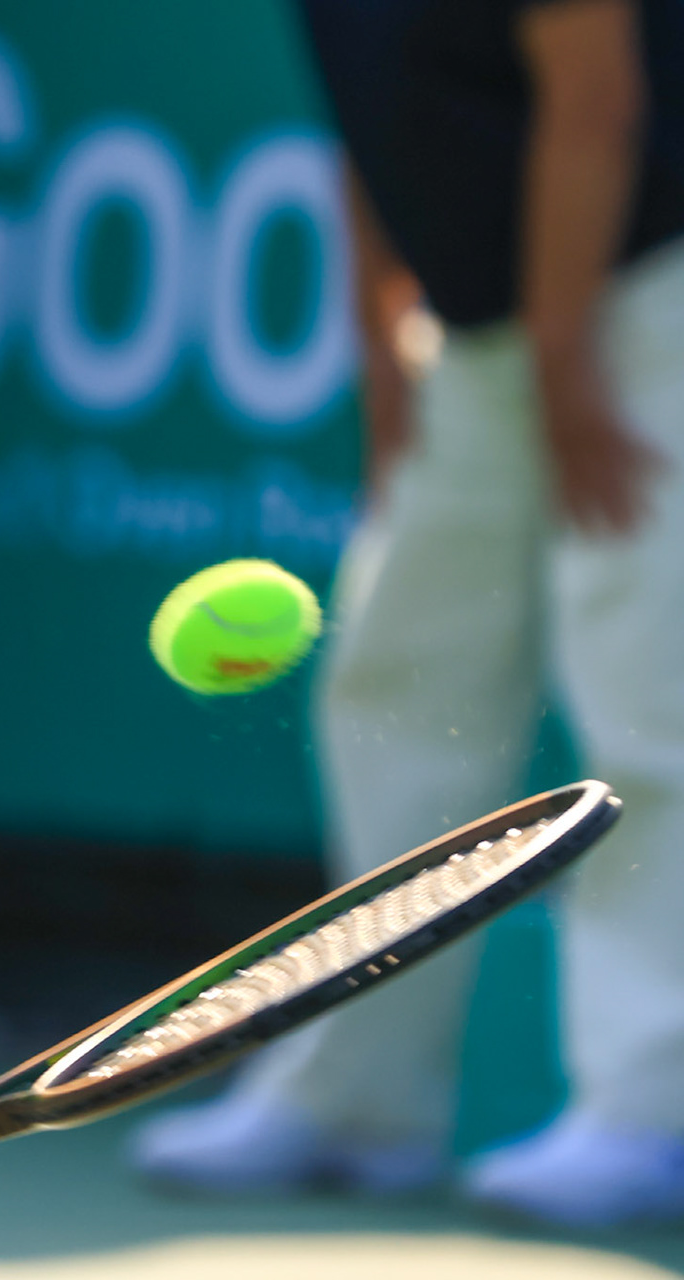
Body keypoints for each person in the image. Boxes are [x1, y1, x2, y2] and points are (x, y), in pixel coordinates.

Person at [131, 0, 684, 1228]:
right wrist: (382, 330)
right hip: (489, 319)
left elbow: (598, 102)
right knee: (395, 685)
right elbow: (379, 121)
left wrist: (561, 361)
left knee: (654, 703)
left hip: (649, 296)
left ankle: (652, 1112)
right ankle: (356, 1097)